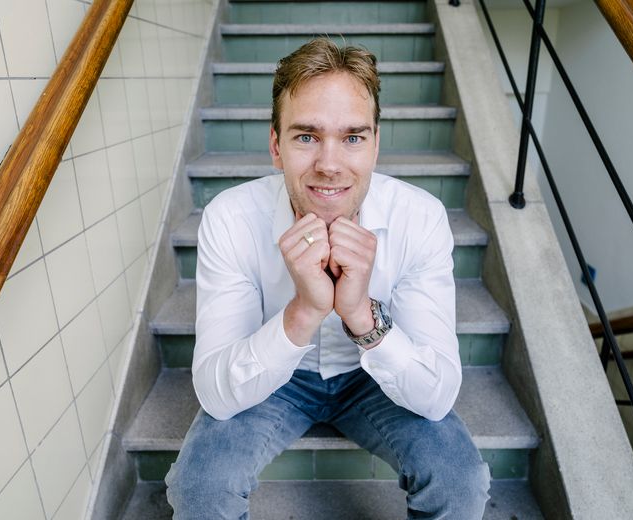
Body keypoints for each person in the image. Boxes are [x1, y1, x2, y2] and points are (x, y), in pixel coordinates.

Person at [165, 37, 490, 519]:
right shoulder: (230, 218)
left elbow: (436, 397)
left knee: (460, 483)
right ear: (276, 146)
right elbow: (215, 393)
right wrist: (304, 311)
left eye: (353, 137)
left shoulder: (420, 218)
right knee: (199, 489)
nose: (329, 165)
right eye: (306, 137)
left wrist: (360, 314)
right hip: (276, 375)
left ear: (376, 145)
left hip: (372, 376)